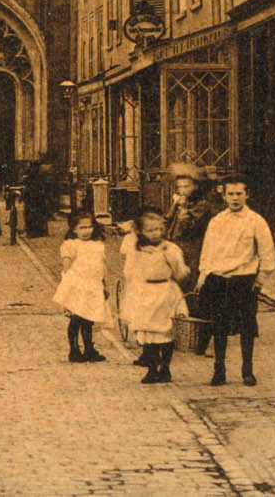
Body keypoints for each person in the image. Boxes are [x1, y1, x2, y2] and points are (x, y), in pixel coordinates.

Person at [196, 174, 275, 386]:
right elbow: (208, 251)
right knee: (219, 327)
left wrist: (261, 279)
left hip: (243, 281)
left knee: (247, 327)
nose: (234, 198)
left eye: (239, 194)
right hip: (219, 280)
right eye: (230, 194)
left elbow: (268, 253)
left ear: (247, 195)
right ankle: (219, 369)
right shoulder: (217, 221)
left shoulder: (256, 221)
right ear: (224, 195)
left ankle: (247, 370)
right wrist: (204, 275)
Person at [120, 208, 189, 383]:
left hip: (165, 291)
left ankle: (165, 368)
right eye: (151, 230)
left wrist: (168, 258)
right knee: (147, 333)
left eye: (159, 229)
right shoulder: (136, 250)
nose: (156, 233)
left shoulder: (171, 248)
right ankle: (151, 368)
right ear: (141, 231)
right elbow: (129, 272)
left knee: (166, 331)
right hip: (144, 292)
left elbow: (180, 272)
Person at [165, 162, 219, 353]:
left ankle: (195, 331)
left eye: (186, 186)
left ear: (196, 186)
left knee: (192, 285)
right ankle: (178, 326)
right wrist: (175, 206)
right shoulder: (181, 203)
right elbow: (167, 222)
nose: (183, 190)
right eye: (180, 187)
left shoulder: (202, 205)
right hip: (177, 246)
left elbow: (191, 227)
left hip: (194, 248)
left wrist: (182, 211)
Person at [53, 210, 109, 363]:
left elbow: (100, 266)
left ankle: (89, 348)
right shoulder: (71, 245)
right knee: (76, 318)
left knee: (89, 319)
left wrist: (103, 284)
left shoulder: (97, 245)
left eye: (89, 227)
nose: (86, 231)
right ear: (74, 229)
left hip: (93, 285)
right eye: (82, 228)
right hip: (77, 285)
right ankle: (74, 349)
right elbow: (66, 267)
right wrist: (69, 286)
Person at [21, 160, 51, 238]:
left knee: (31, 215)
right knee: (39, 215)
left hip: (32, 198)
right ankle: (41, 232)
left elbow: (26, 185)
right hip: (39, 198)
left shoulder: (30, 174)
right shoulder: (41, 175)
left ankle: (31, 232)